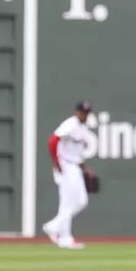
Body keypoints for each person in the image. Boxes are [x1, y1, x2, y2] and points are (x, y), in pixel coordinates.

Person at [42, 100, 94, 249]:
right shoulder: (71, 124)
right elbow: (53, 141)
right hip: (66, 166)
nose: (85, 115)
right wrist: (57, 163)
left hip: (75, 167)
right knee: (67, 202)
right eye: (83, 112)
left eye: (87, 113)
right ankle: (65, 238)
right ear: (77, 112)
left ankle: (54, 226)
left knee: (81, 201)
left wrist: (85, 168)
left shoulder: (82, 127)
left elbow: (76, 152)